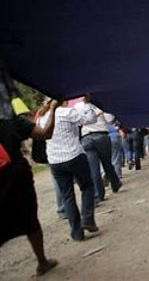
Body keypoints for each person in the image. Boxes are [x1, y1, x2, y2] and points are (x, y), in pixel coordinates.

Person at [0, 66, 59, 275]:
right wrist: (53, 109)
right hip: (16, 176)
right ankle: (42, 261)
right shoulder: (12, 121)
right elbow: (45, 133)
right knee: (30, 220)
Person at [44, 99, 99, 241]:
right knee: (87, 186)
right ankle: (87, 219)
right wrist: (88, 104)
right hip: (74, 155)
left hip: (55, 161)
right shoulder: (67, 112)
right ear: (63, 100)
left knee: (67, 195)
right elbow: (90, 119)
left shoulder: (43, 118)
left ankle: (76, 232)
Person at [74, 97, 121, 203]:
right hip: (101, 135)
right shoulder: (101, 105)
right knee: (107, 163)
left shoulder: (77, 106)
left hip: (86, 138)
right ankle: (115, 184)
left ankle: (98, 194)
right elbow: (110, 119)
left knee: (93, 168)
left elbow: (77, 122)